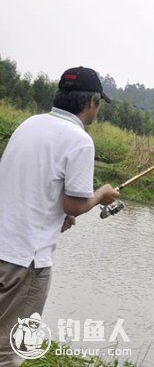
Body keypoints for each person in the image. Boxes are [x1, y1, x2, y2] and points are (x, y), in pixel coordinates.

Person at [0, 67, 120, 366]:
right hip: (25, 260)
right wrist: (101, 195)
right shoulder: (79, 139)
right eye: (99, 102)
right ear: (91, 102)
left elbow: (30, 187)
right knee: (9, 349)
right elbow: (74, 205)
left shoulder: (30, 124)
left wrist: (56, 215)